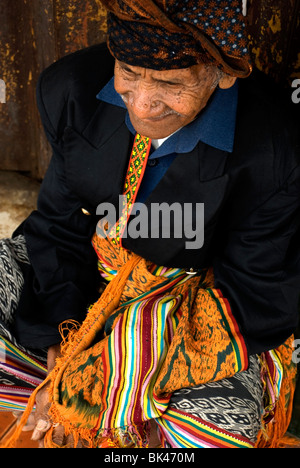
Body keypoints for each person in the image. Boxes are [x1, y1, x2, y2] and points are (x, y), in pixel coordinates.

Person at [1, 0, 299, 449]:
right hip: (91, 274)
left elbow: (253, 292)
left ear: (222, 74)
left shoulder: (278, 151)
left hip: (192, 299)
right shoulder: (71, 89)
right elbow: (60, 225)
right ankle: (100, 415)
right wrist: (63, 338)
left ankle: (106, 421)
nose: (141, 105)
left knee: (220, 427)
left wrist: (105, 373)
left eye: (169, 83)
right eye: (129, 73)